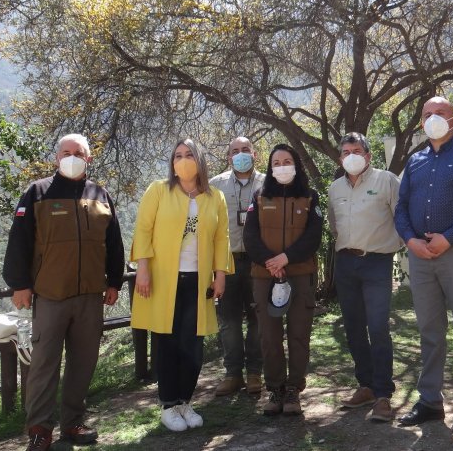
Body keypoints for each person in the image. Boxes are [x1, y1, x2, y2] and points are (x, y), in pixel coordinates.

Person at [3, 133, 125, 451]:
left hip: (89, 296)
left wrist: (114, 282)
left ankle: (73, 422)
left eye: (79, 153)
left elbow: (114, 243)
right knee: (43, 364)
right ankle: (40, 429)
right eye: (66, 152)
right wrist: (19, 285)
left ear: (89, 158)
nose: (72, 157)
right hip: (49, 295)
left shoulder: (100, 195)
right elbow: (19, 241)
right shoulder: (37, 192)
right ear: (57, 158)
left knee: (83, 363)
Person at [394, 97, 453, 433]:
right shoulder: (416, 161)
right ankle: (430, 402)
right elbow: (401, 207)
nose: (432, 118)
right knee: (430, 332)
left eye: (440, 113)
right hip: (420, 259)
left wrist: (448, 238)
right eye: (426, 115)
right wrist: (411, 241)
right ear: (421, 122)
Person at [130, 138, 232, 433]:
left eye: (189, 154)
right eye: (178, 155)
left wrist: (220, 274)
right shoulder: (159, 191)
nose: (183, 159)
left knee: (193, 346)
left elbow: (221, 238)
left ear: (200, 159)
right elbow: (143, 230)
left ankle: (185, 401)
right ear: (171, 162)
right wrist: (144, 269)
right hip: (164, 280)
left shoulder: (214, 197)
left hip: (198, 281)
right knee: (166, 343)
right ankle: (167, 405)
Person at [327, 132, 404, 422]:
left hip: (376, 263)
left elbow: (402, 218)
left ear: (368, 155)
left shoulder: (386, 180)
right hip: (345, 263)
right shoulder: (335, 188)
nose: (351, 156)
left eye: (356, 150)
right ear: (340, 158)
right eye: (345, 152)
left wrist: (390, 248)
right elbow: (335, 224)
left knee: (378, 326)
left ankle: (384, 394)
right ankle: (366, 386)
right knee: (354, 327)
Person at [243, 143, 323, 416]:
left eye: (286, 160)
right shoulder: (259, 196)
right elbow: (250, 237)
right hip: (265, 276)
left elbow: (314, 236)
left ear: (296, 164)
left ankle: (293, 390)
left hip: (300, 275)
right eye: (276, 162)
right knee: (269, 336)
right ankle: (275, 389)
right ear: (270, 167)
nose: (281, 166)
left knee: (299, 335)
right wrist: (271, 261)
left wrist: (286, 258)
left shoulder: (310, 197)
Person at [209, 137, 266, 396]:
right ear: (228, 157)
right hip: (226, 263)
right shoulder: (215, 185)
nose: (240, 154)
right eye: (235, 151)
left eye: (245, 150)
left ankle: (255, 373)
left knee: (258, 319)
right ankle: (233, 374)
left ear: (255, 155)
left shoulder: (268, 183)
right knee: (228, 321)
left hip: (259, 262)